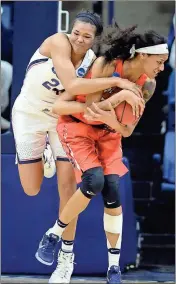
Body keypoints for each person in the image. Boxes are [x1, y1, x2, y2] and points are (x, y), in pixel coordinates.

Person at [12, 10, 143, 284]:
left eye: (86, 37)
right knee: (31, 188)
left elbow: (91, 105)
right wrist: (119, 82)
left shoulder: (94, 63)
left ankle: (65, 259)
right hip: (30, 113)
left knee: (68, 188)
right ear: (69, 30)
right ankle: (44, 153)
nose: (79, 40)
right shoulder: (58, 42)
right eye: (76, 33)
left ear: (94, 40)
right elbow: (71, 83)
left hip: (62, 118)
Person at [36, 24, 168, 284]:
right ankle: (53, 234)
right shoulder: (107, 64)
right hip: (79, 125)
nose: (162, 67)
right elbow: (89, 108)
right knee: (93, 181)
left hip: (108, 132)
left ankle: (114, 268)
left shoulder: (149, 84)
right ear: (142, 55)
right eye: (160, 61)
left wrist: (113, 119)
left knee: (112, 188)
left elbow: (127, 130)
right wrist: (119, 98)